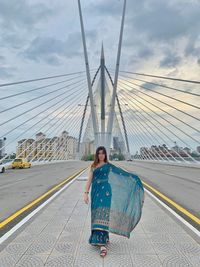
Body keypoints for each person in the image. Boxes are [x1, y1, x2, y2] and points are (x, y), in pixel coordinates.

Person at [83, 146, 144, 257]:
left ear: (105, 155)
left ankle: (102, 244)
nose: (101, 155)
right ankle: (102, 238)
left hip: (106, 192)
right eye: (99, 153)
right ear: (97, 155)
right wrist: (85, 193)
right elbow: (89, 180)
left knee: (104, 215)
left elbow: (121, 174)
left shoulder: (108, 166)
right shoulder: (93, 166)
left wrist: (134, 179)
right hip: (96, 192)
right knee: (96, 214)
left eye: (103, 153)